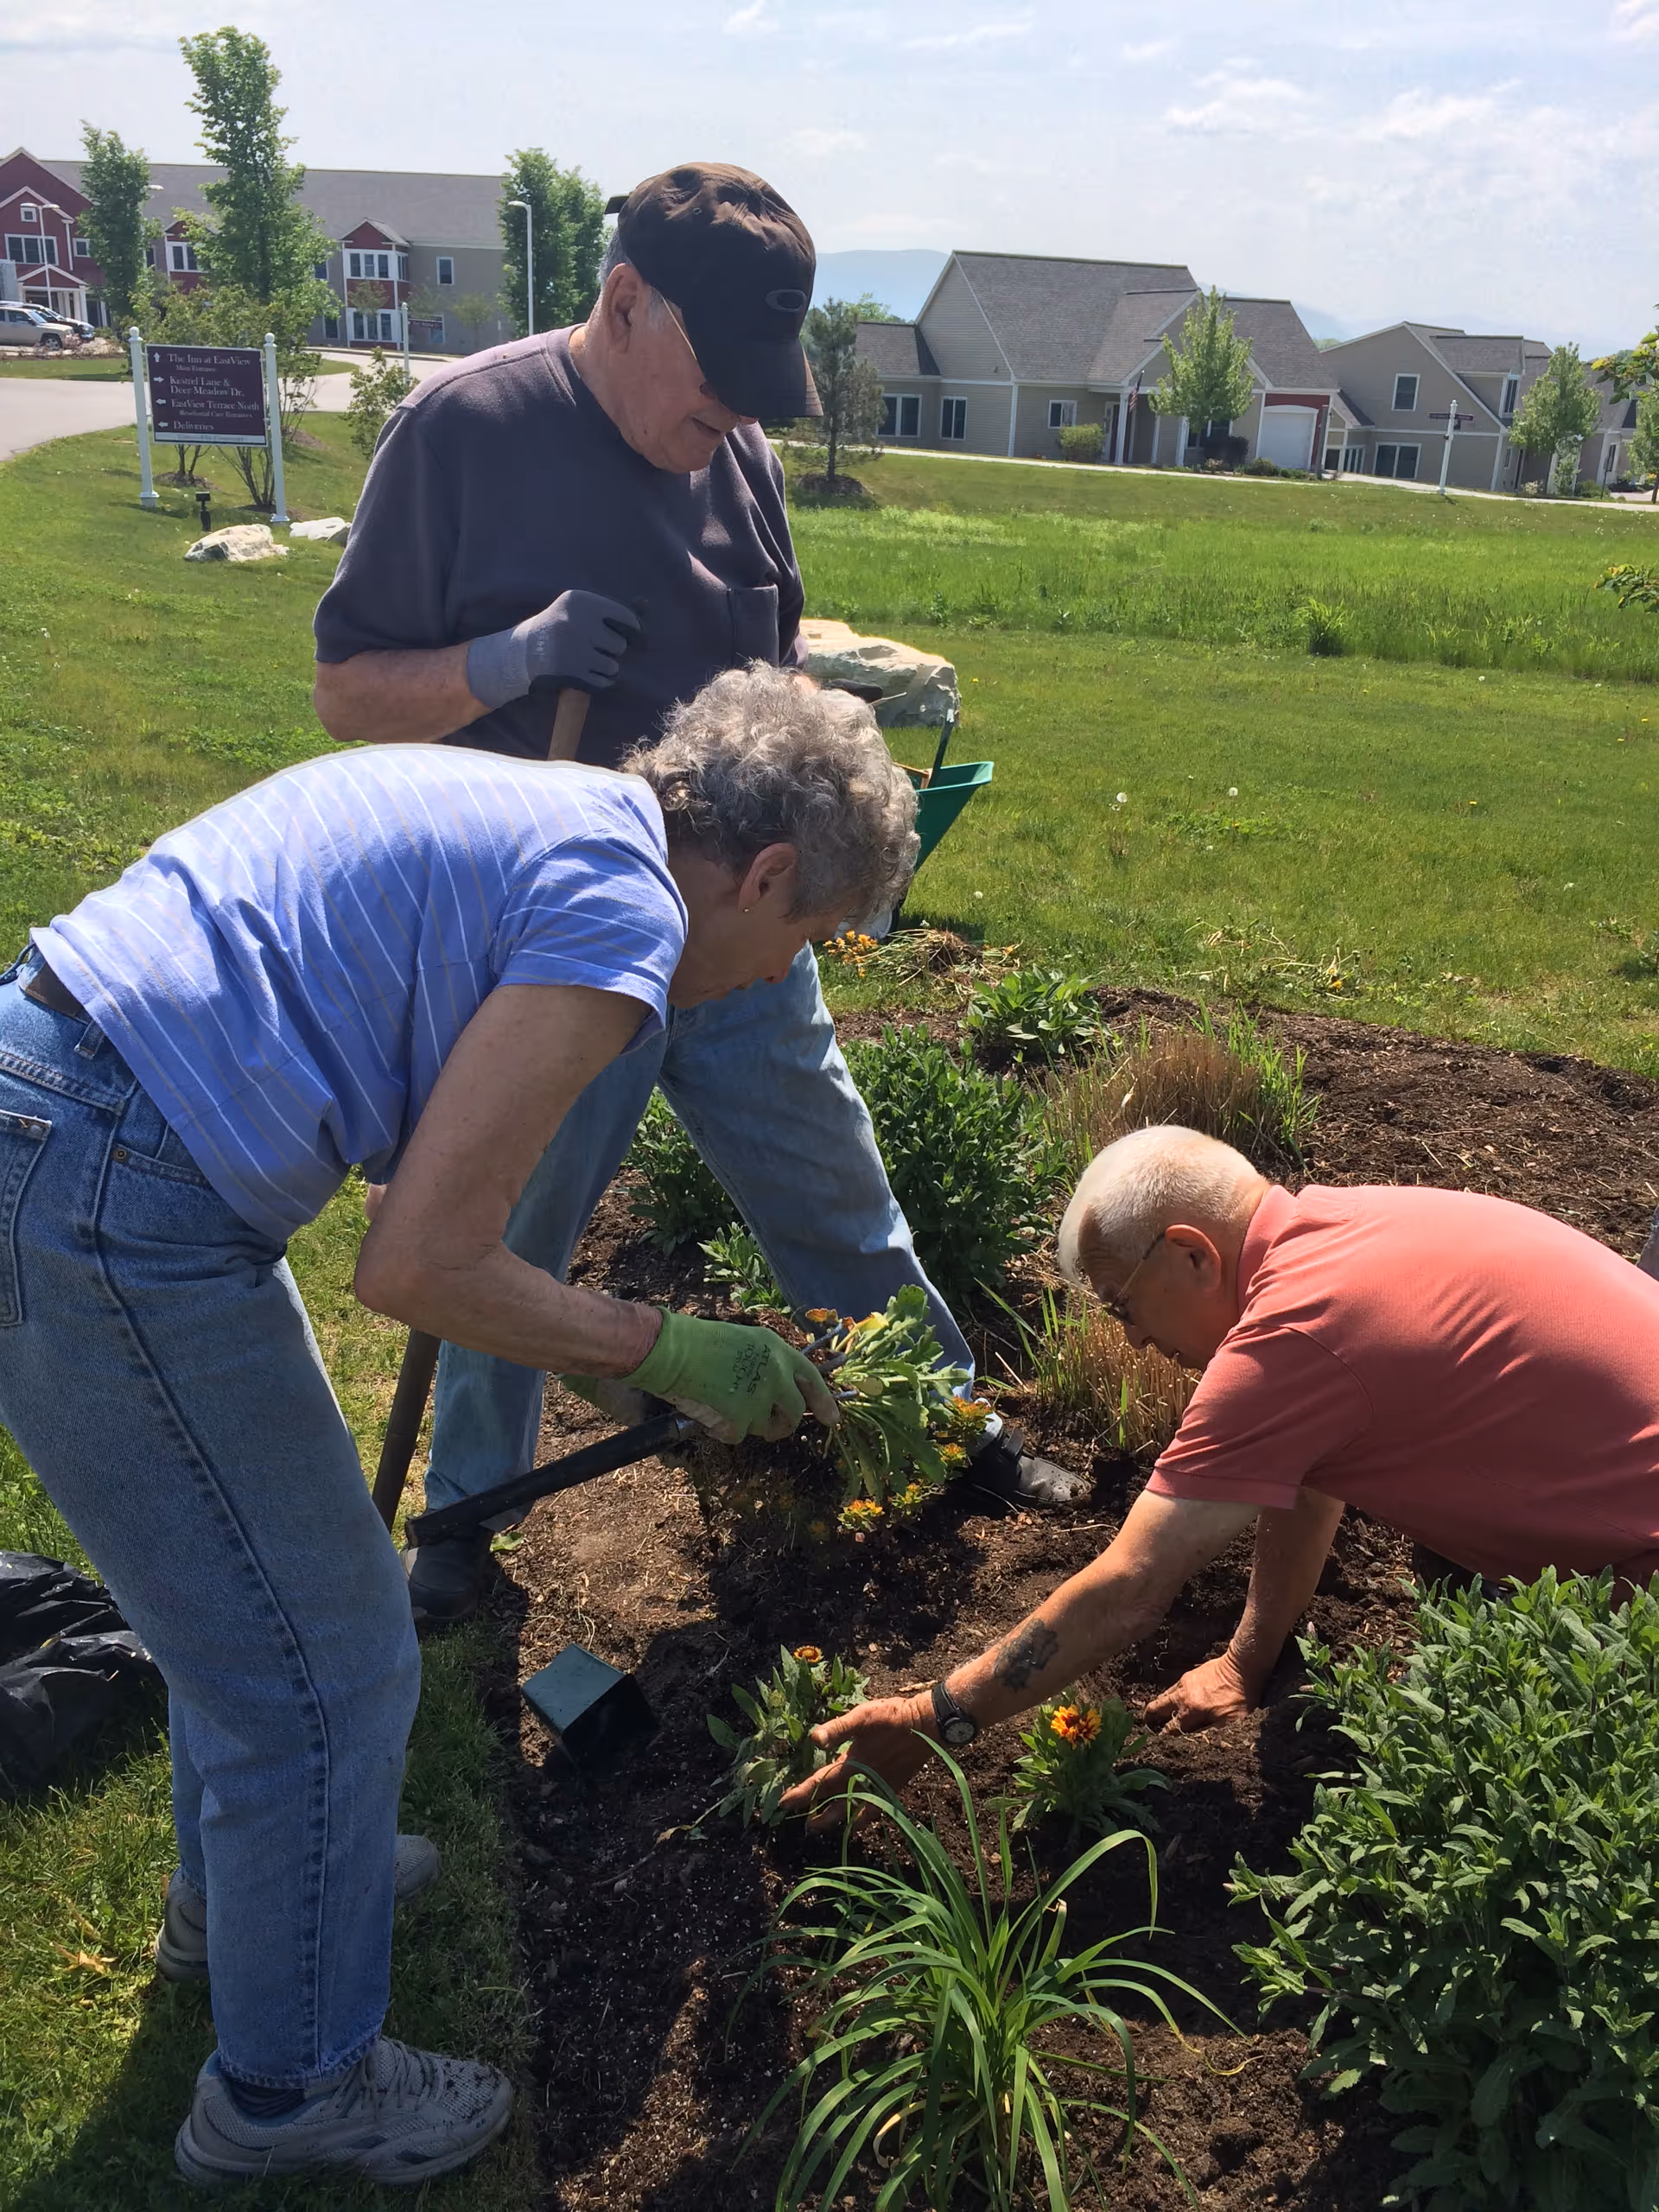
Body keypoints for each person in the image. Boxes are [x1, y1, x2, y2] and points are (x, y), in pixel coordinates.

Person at [0, 666, 912, 2184]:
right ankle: (291, 2096)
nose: (773, 978)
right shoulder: (623, 918)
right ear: (760, 873)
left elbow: (430, 1210)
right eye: (802, 937)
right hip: (109, 1195)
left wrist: (633, 1369)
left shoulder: (560, 825)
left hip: (69, 1117)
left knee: (258, 1607)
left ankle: (250, 1906)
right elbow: (416, 1266)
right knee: (334, 1660)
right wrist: (675, 1343)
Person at [312, 159, 1071, 1627]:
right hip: (554, 943)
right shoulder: (465, 432)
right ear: (622, 302)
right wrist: (505, 662)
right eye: (713, 386)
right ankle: (464, 1518)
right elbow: (347, 688)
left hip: (735, 924)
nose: (728, 423)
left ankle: (941, 1423)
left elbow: (774, 671)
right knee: (504, 1232)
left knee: (836, 1189)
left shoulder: (742, 458)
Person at [782, 1124, 1659, 1816]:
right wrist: (1248, 1658)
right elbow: (1314, 1471)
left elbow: (1131, 1583)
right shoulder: (1347, 1223)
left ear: (1194, 1253)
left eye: (1124, 1303)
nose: (1128, 1338)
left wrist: (939, 1715)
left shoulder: (1295, 1332)